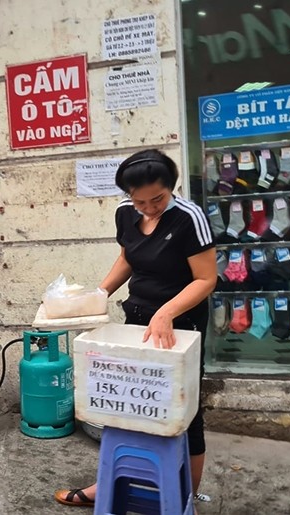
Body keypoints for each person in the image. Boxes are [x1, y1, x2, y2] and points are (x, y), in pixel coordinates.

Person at [54, 149, 217, 508]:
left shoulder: (189, 217)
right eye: (139, 200)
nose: (148, 207)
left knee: (182, 408)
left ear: (170, 188)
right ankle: (109, 482)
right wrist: (99, 294)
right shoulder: (126, 213)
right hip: (138, 318)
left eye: (157, 198)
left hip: (182, 324)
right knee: (129, 403)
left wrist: (168, 312)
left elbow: (206, 279)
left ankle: (185, 495)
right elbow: (128, 257)